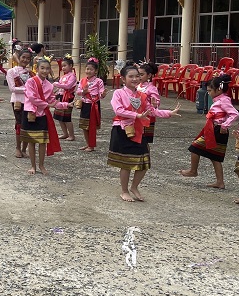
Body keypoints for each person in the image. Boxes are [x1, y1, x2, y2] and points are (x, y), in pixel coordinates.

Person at [108, 64, 180, 202]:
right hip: (123, 130)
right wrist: (137, 115)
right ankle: (124, 191)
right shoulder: (118, 93)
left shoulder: (142, 95)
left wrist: (168, 113)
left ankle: (134, 187)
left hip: (138, 130)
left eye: (137, 76)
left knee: (144, 160)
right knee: (126, 163)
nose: (135, 79)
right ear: (123, 79)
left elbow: (151, 111)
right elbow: (118, 110)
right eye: (131, 76)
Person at [179, 73, 238, 189]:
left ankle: (193, 170)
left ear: (218, 89)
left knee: (195, 147)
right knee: (214, 156)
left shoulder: (224, 100)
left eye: (210, 90)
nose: (209, 93)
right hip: (213, 128)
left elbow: (234, 114)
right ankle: (220, 182)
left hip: (218, 130)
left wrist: (224, 126)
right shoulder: (219, 100)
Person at [21, 58, 61, 175]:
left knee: (43, 141)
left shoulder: (49, 85)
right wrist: (47, 105)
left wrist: (65, 104)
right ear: (37, 68)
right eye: (42, 68)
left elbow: (52, 101)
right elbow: (32, 98)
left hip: (42, 114)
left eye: (47, 68)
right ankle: (33, 166)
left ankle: (41, 165)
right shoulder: (31, 82)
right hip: (31, 114)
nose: (44, 71)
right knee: (32, 141)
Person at [76, 57, 106, 151]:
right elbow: (78, 92)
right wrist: (83, 92)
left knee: (91, 126)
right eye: (87, 69)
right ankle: (88, 143)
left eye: (91, 69)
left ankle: (91, 145)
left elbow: (100, 93)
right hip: (85, 105)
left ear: (95, 71)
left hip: (93, 105)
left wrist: (103, 94)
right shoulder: (82, 80)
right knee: (84, 126)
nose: (88, 71)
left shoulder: (99, 81)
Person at [6, 50, 32, 158]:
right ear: (19, 57)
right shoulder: (12, 71)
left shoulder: (31, 73)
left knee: (28, 124)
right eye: (23, 57)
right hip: (17, 101)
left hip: (29, 102)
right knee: (19, 124)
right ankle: (18, 147)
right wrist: (27, 90)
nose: (25, 60)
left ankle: (24, 149)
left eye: (28, 58)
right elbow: (12, 88)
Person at [53, 57, 77, 141]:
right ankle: (65, 133)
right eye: (62, 66)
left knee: (67, 117)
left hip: (68, 97)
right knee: (59, 116)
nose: (63, 68)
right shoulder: (63, 76)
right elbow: (59, 87)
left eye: (65, 65)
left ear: (70, 66)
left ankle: (71, 135)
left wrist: (57, 84)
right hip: (61, 96)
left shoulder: (72, 76)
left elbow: (68, 86)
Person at [137, 63, 161, 145]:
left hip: (148, 116)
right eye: (138, 75)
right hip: (137, 115)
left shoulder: (152, 88)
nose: (139, 77)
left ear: (149, 75)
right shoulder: (137, 86)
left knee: (145, 140)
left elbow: (156, 101)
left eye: (141, 75)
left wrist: (155, 104)